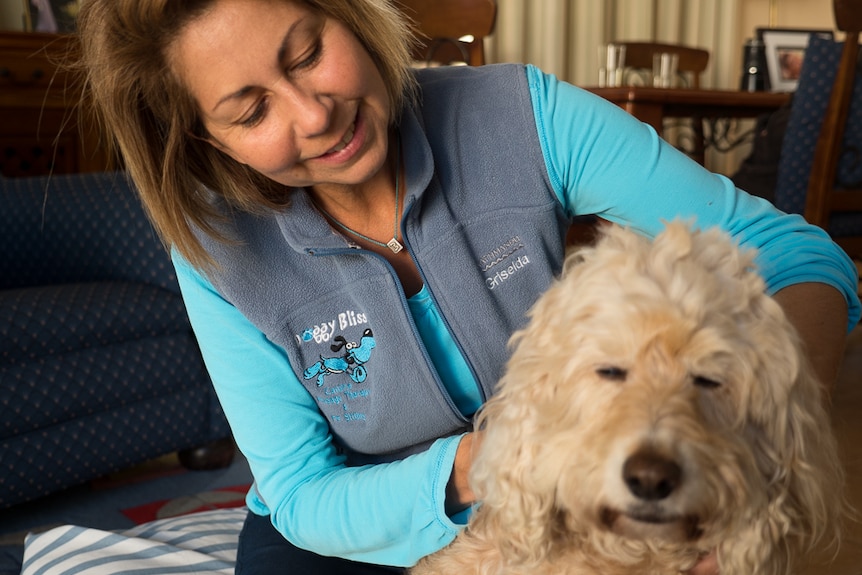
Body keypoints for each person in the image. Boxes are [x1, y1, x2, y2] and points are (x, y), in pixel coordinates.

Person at [75, 1, 859, 574]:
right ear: (205, 139)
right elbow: (304, 493)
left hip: (573, 495)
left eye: (308, 52)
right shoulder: (215, 248)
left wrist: (766, 430)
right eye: (250, 110)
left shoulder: (521, 114)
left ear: (349, 15)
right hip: (345, 526)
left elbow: (794, 255)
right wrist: (491, 462)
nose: (314, 114)